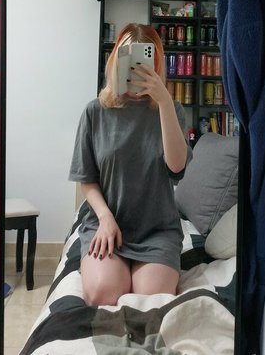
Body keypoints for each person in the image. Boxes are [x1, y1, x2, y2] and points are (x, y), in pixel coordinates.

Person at [69, 23, 192, 306]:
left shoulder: (172, 110)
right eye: (128, 59)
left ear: (156, 65)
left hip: (156, 229)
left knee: (150, 300)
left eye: (145, 61)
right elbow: (87, 179)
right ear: (115, 62)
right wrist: (105, 217)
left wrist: (164, 102)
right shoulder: (95, 111)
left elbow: (176, 168)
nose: (136, 69)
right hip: (107, 223)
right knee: (104, 293)